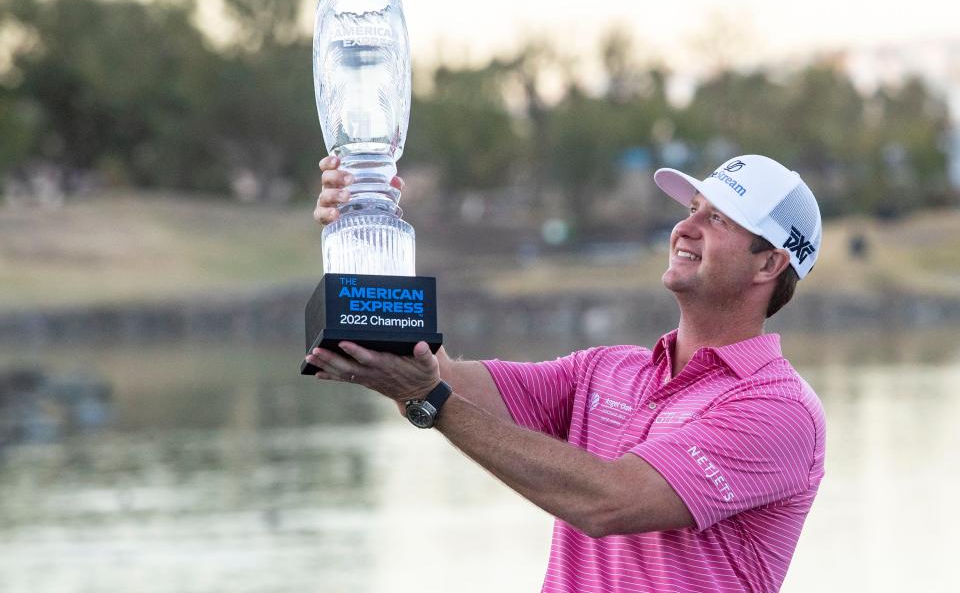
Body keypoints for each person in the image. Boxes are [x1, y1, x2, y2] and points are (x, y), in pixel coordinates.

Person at [306, 154, 826, 593]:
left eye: (719, 220)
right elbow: (443, 380)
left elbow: (609, 502)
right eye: (693, 209)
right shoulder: (606, 370)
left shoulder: (779, 409)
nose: (684, 228)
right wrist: (366, 227)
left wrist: (429, 400)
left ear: (769, 265)